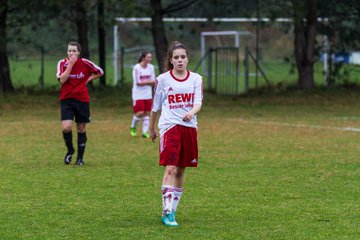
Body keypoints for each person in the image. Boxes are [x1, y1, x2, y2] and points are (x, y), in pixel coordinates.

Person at [149, 41, 203, 227]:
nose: (180, 60)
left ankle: (173, 210)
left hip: (189, 128)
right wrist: (151, 128)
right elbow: (155, 106)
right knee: (170, 168)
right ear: (171, 61)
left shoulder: (196, 79)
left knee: (181, 170)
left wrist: (192, 112)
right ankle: (166, 212)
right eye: (176, 57)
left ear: (187, 59)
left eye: (183, 57)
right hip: (170, 127)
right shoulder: (163, 80)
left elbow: (198, 102)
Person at [56, 41, 104, 166]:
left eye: (74, 51)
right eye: (69, 50)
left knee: (81, 128)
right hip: (66, 100)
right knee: (66, 127)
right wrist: (70, 65)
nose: (71, 53)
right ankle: (70, 150)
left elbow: (100, 72)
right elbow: (62, 80)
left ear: (78, 52)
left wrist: (88, 79)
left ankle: (80, 158)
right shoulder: (62, 63)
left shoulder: (85, 63)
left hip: (82, 99)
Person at [130, 52, 156, 138]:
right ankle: (133, 126)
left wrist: (145, 82)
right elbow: (138, 83)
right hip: (138, 94)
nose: (150, 59)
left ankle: (145, 132)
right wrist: (149, 82)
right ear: (143, 58)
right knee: (140, 112)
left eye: (150, 57)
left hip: (148, 93)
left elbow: (154, 81)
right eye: (148, 57)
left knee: (147, 113)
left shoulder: (151, 67)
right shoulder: (137, 68)